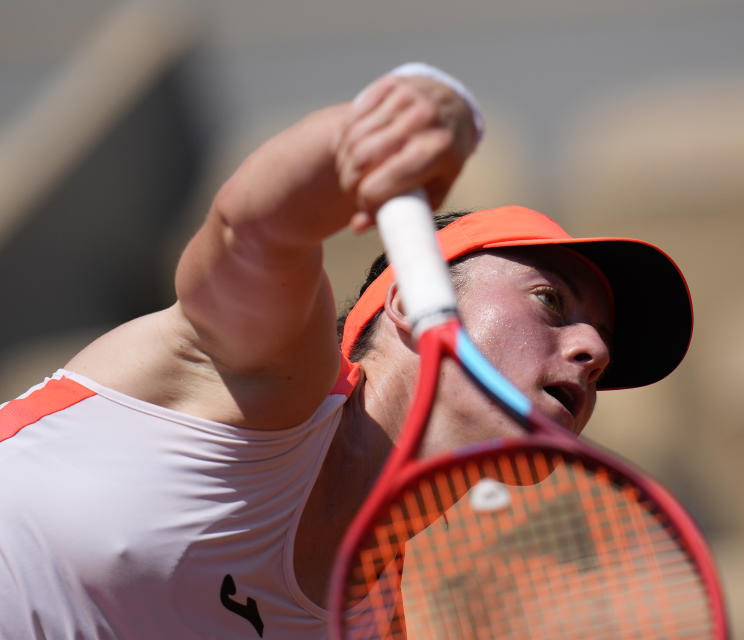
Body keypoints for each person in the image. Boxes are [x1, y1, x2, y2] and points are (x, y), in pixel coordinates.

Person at [0, 64, 692, 639]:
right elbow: (256, 226)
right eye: (550, 301)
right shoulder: (267, 377)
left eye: (601, 345)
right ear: (408, 305)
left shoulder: (369, 623)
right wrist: (395, 117)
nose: (594, 350)